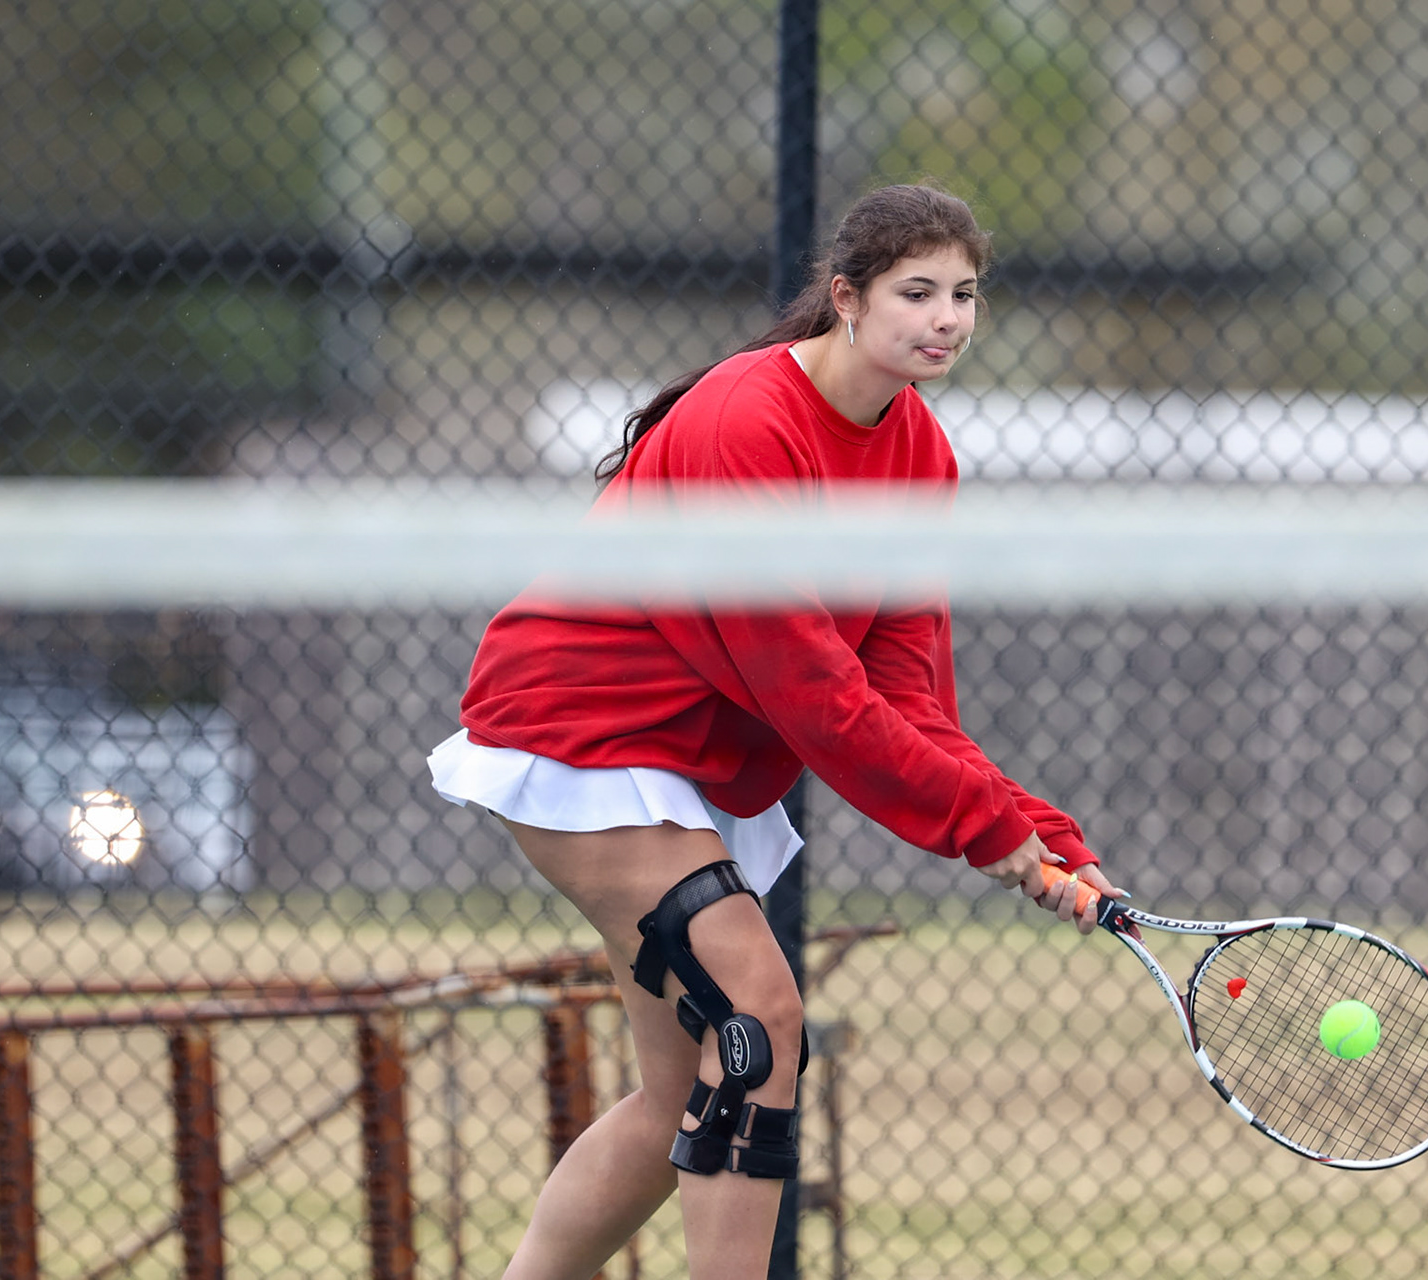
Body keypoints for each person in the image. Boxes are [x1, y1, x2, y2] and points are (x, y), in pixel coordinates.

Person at [428, 181, 1120, 1280]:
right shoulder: (743, 422)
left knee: (676, 1099)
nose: (945, 318)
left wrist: (1036, 828)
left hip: (696, 769)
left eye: (965, 295)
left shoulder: (921, 452)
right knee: (758, 1016)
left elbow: (906, 695)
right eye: (917, 291)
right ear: (847, 297)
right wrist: (979, 827)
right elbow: (812, 693)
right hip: (580, 736)